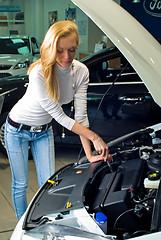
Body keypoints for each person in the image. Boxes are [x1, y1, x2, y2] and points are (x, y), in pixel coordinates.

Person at [5, 20, 111, 221]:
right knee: (21, 184)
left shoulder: (81, 71)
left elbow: (80, 116)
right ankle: (22, 226)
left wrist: (89, 155)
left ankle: (48, 222)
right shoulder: (39, 72)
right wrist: (95, 137)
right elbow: (60, 116)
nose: (66, 57)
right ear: (51, 48)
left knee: (49, 182)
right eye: (60, 50)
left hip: (43, 131)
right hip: (17, 129)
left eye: (72, 50)